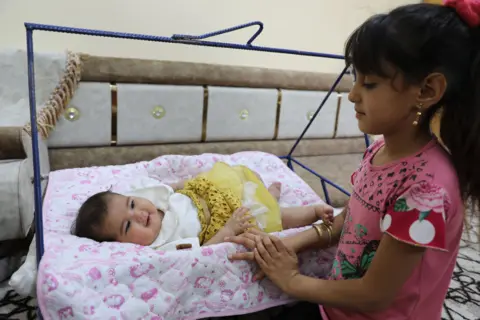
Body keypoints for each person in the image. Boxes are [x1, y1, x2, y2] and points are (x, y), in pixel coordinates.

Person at [227, 1, 480, 319]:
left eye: (370, 84)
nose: (353, 94)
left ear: (427, 90)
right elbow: (348, 221)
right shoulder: (380, 151)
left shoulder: (426, 190)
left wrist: (291, 280)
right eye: (355, 78)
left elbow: (374, 294)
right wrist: (291, 244)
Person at [72, 161, 334, 249]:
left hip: (212, 192)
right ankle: (312, 212)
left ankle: (270, 193)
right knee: (274, 218)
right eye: (127, 225)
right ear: (124, 246)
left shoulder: (151, 200)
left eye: (131, 204)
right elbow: (204, 249)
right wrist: (228, 231)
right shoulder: (163, 245)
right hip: (227, 222)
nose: (139, 214)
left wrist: (193, 181)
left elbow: (173, 186)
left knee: (250, 188)